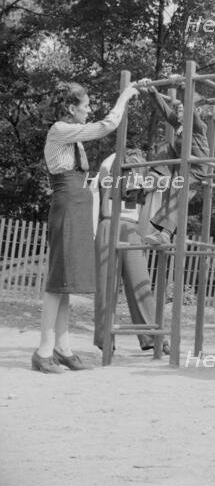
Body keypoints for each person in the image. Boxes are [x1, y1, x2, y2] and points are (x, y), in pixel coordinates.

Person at [32, 81, 139, 373]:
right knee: (57, 282)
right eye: (86, 105)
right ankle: (43, 351)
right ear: (71, 108)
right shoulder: (60, 130)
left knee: (67, 283)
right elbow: (107, 125)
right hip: (66, 206)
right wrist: (125, 96)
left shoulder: (73, 138)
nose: (89, 110)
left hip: (77, 207)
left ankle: (62, 348)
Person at [93, 150, 169, 355]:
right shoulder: (110, 165)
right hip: (109, 222)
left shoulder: (145, 174)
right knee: (105, 284)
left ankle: (153, 336)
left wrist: (149, 175)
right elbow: (104, 177)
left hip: (132, 227)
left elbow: (164, 182)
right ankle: (104, 338)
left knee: (140, 282)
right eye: (132, 160)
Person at [141, 84, 210, 246]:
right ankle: (160, 175)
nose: (178, 111)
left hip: (196, 167)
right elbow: (165, 110)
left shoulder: (198, 126)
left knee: (176, 196)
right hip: (183, 163)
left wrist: (183, 85)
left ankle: (164, 234)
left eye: (182, 109)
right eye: (178, 109)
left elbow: (190, 108)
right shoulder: (179, 125)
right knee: (165, 144)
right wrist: (153, 91)